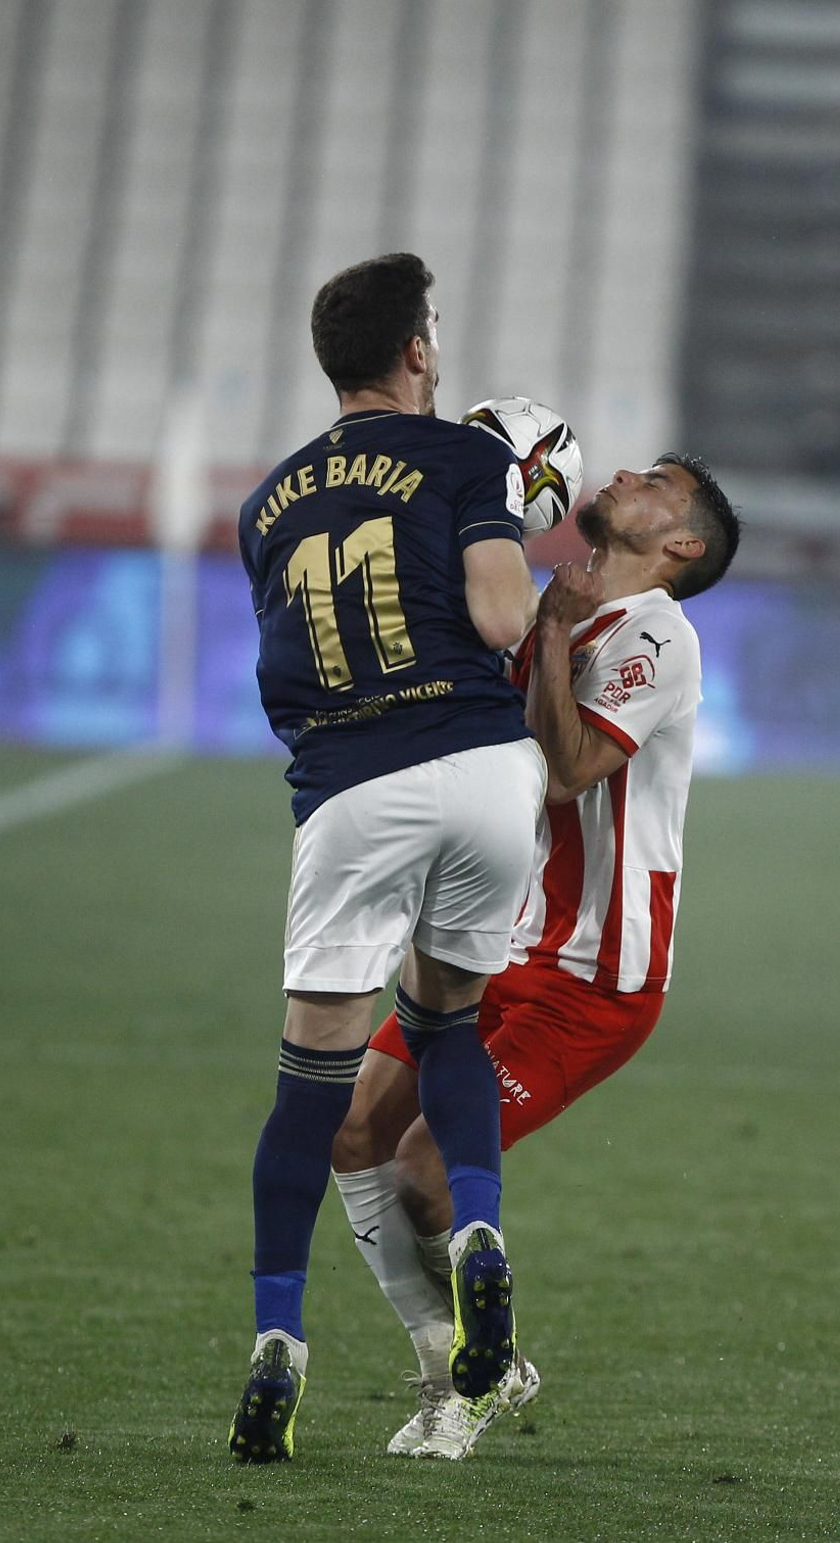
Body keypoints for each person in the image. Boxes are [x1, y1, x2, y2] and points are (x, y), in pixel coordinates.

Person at [331, 452, 740, 1459]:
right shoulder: (538, 607)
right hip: (490, 944)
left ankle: (468, 1381)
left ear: (681, 545)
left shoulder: (658, 636)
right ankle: (462, 1359)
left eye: (657, 483)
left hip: (594, 978)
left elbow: (569, 771)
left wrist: (551, 632)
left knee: (426, 1170)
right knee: (351, 1131)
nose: (627, 472)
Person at [230, 253, 545, 1463]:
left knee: (310, 1084)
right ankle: (477, 1231)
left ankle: (279, 1338)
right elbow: (504, 617)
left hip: (353, 787)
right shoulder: (468, 459)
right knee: (449, 1022)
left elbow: (283, 666)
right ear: (417, 351)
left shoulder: (267, 504)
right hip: (483, 771)